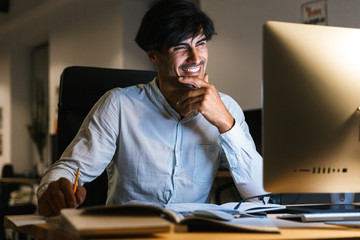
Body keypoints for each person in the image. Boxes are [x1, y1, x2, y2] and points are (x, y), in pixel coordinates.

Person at [37, 0, 265, 217]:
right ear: (154, 55)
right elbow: (69, 169)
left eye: (201, 43)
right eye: (181, 47)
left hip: (192, 234)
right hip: (128, 235)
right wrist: (54, 190)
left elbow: (261, 195)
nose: (196, 57)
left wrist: (225, 123)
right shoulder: (119, 105)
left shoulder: (227, 109)